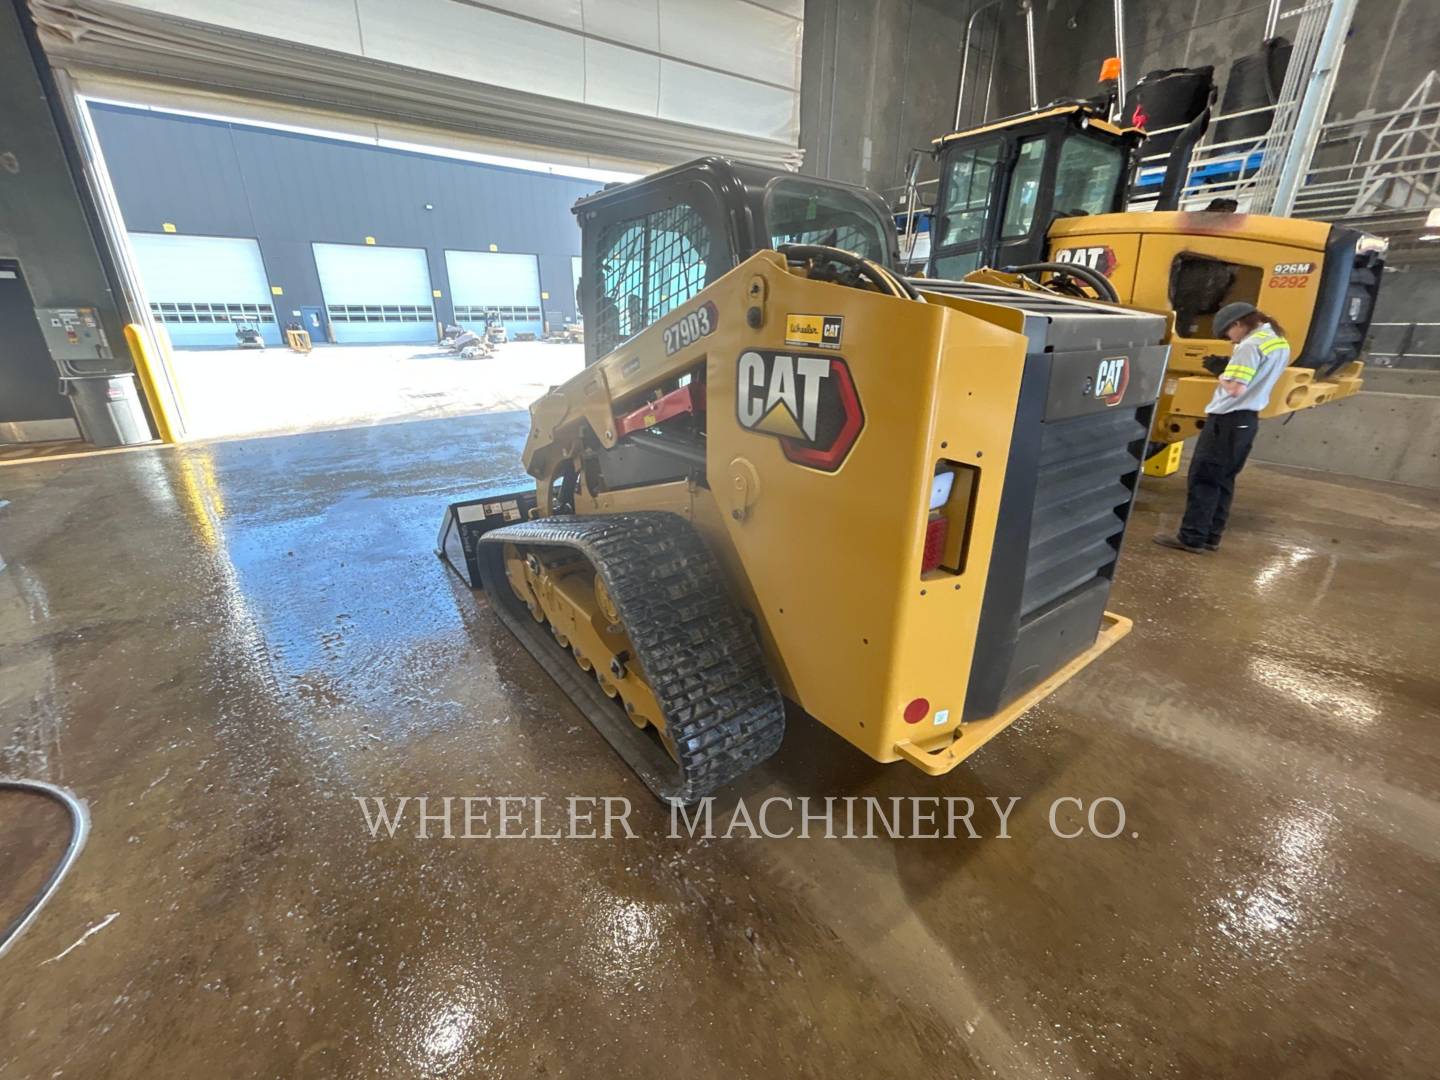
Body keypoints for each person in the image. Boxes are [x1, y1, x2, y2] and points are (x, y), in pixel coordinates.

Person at [1155, 302, 1290, 554]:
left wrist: (1222, 372)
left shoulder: (1249, 345)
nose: (1230, 340)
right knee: (1224, 480)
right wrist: (1232, 364)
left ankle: (1192, 537)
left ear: (1238, 323)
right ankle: (1211, 536)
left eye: (1228, 333)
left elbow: (1236, 388)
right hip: (1246, 421)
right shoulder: (1276, 340)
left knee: (1203, 478)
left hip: (1227, 419)